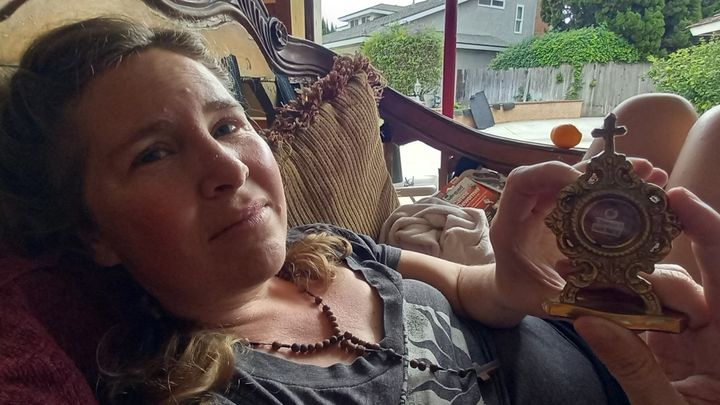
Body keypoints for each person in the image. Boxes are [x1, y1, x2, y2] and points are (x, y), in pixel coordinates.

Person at [0, 16, 717, 404]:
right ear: (92, 232)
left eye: (227, 126)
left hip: (602, 343)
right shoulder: (203, 389)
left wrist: (515, 277)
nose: (227, 167)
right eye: (154, 153)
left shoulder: (324, 245)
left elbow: (469, 287)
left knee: (668, 114)